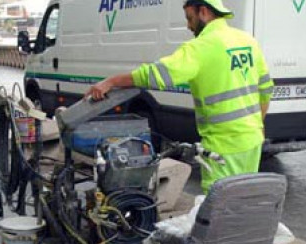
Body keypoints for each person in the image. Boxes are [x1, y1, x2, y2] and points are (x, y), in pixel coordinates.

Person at [86, 0, 273, 194]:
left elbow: (156, 75)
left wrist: (112, 81)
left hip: (223, 146)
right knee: (245, 199)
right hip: (252, 141)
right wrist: (258, 125)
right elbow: (266, 88)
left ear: (203, 11)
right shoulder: (248, 41)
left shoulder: (200, 47)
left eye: (189, 18)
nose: (188, 26)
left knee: (220, 207)